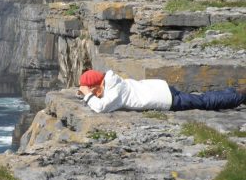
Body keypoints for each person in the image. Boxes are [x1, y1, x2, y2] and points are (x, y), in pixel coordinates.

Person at [78, 69, 246, 113]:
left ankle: (239, 96)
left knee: (204, 102)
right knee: (200, 97)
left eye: (89, 89)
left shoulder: (114, 92)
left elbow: (100, 108)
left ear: (96, 87)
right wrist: (89, 93)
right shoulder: (113, 82)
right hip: (161, 89)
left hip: (165, 99)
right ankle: (233, 93)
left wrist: (87, 95)